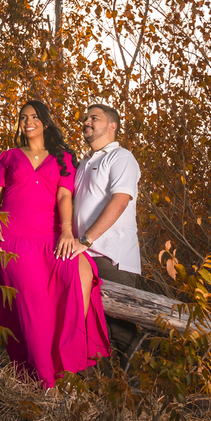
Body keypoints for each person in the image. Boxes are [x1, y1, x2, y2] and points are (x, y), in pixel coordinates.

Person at [0, 100, 110, 388]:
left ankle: (67, 354)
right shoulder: (9, 156)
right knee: (32, 309)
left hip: (51, 237)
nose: (28, 122)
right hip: (13, 239)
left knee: (82, 270)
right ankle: (45, 384)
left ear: (45, 122)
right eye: (23, 117)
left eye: (34, 117)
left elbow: (65, 196)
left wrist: (67, 232)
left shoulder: (63, 158)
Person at [72, 103, 144, 370]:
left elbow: (120, 201)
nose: (86, 121)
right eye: (85, 117)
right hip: (82, 258)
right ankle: (97, 395)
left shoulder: (121, 157)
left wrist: (85, 240)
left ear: (112, 126)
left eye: (94, 118)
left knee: (121, 331)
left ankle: (136, 395)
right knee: (89, 326)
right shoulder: (83, 163)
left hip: (111, 257)